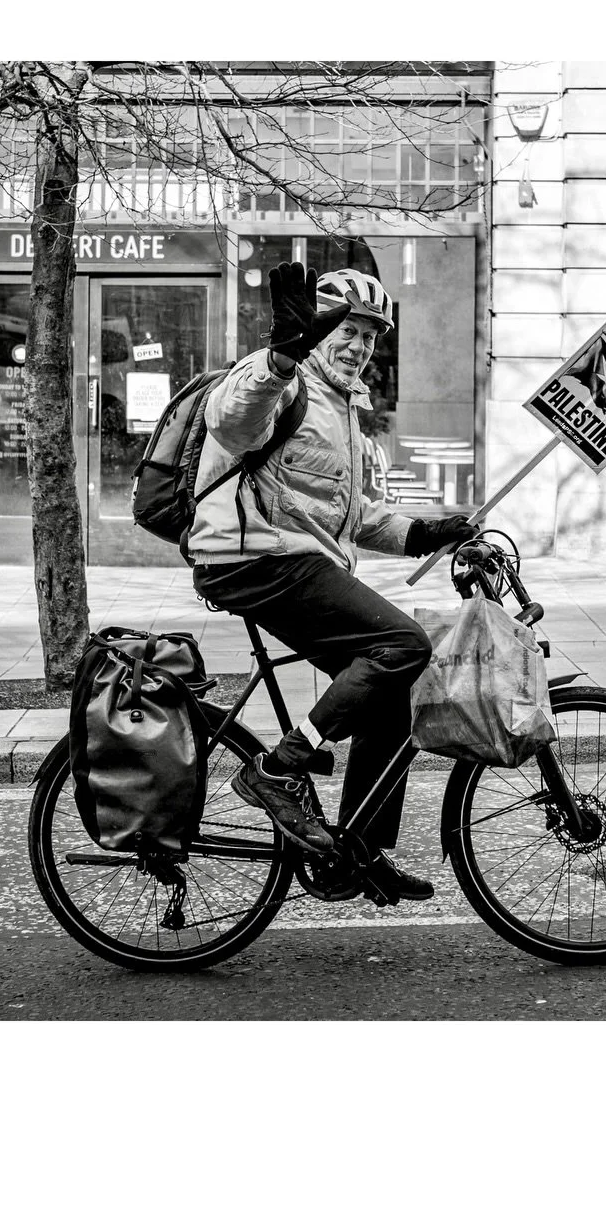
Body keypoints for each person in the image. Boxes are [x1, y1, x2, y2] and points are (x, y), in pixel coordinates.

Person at [188, 262, 476, 902]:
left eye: (371, 336)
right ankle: (278, 771)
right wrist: (279, 361)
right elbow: (230, 423)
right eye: (346, 329)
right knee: (404, 645)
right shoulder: (280, 385)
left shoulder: (341, 408)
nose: (359, 346)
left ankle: (357, 850)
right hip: (253, 558)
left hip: (296, 558)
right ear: (315, 332)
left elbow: (346, 515)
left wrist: (429, 532)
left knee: (394, 694)